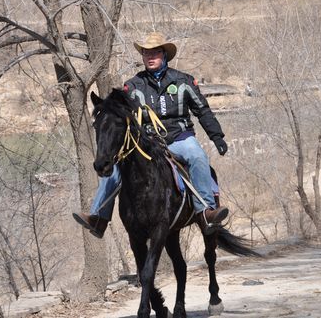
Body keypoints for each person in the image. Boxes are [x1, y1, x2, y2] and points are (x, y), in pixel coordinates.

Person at [73, 32, 230, 237]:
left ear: (164, 55)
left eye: (155, 52)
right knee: (114, 167)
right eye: (146, 53)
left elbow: (202, 111)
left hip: (180, 138)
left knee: (198, 156)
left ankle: (207, 211)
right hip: (146, 143)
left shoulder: (184, 81)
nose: (150, 56)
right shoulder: (133, 86)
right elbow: (119, 113)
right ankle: (98, 218)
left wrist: (217, 136)